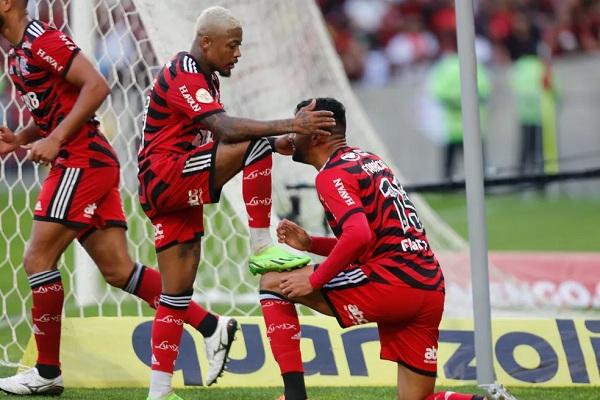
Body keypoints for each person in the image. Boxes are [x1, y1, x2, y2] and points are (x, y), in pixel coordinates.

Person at [0, 0, 237, 395]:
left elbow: (97, 85)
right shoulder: (17, 53)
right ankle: (211, 326)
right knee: (118, 270)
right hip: (89, 160)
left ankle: (46, 372)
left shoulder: (43, 40)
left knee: (37, 259)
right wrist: (24, 138)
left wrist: (56, 140)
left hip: (80, 161)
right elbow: (56, 108)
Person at [257, 97, 518, 400]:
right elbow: (377, 238)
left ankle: (294, 395)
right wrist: (311, 244)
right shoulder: (370, 161)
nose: (293, 132)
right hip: (428, 285)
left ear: (317, 135)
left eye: (299, 126)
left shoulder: (332, 175)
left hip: (392, 282)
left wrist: (313, 280)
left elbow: (358, 236)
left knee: (273, 282)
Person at [136, 6, 336, 400]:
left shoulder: (206, 78)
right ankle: (261, 243)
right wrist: (290, 126)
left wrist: (270, 145)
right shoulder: (184, 72)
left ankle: (158, 393)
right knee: (254, 140)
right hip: (168, 175)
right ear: (205, 42)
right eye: (233, 45)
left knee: (176, 296)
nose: (239, 53)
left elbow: (219, 138)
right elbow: (225, 129)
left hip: (172, 184)